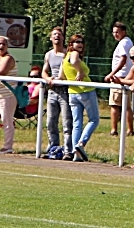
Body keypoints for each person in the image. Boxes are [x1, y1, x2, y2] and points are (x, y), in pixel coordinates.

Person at [63, 34, 98, 162]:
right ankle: (81, 144)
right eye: (76, 42)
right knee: (94, 119)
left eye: (81, 42)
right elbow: (74, 61)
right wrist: (79, 71)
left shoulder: (64, 57)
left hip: (72, 92)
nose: (80, 44)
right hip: (85, 91)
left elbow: (62, 75)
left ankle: (76, 153)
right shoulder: (73, 54)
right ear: (71, 44)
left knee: (77, 123)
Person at [40, 27, 73, 155]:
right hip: (52, 91)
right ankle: (53, 147)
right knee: (50, 122)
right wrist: (48, 78)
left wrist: (59, 79)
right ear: (50, 38)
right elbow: (44, 71)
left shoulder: (67, 54)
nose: (56, 37)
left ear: (63, 38)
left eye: (59, 35)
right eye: (54, 35)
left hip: (64, 91)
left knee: (66, 122)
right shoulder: (48, 54)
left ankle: (67, 150)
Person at [107, 22, 134, 138]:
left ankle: (114, 130)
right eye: (113, 32)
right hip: (126, 76)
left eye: (117, 32)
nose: (115, 35)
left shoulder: (123, 43)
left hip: (119, 76)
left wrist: (112, 74)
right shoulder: (128, 42)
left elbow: (123, 59)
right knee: (126, 105)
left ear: (124, 32)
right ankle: (130, 129)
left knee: (114, 104)